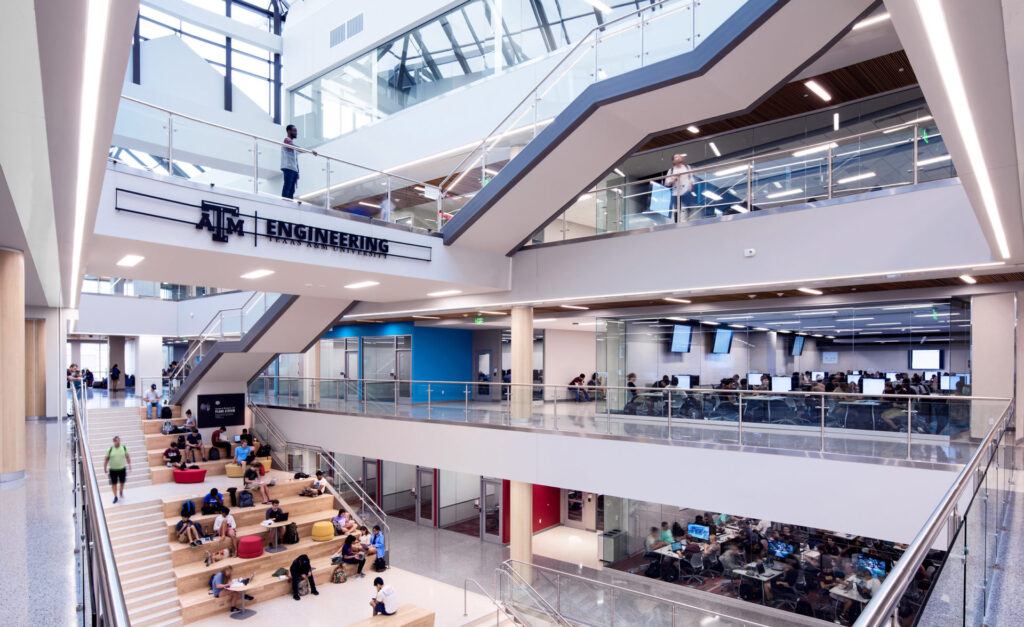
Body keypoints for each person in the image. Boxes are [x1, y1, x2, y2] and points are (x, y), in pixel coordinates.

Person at [280, 124, 315, 199]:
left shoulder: (292, 144)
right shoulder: (286, 140)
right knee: (287, 187)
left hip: (293, 169)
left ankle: (289, 204)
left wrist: (297, 171)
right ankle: (284, 203)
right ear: (289, 131)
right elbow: (295, 148)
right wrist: (310, 151)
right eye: (294, 131)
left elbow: (295, 159)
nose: (296, 133)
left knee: (292, 190)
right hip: (288, 168)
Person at [664, 153, 694, 221]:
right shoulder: (671, 170)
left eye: (679, 156)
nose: (678, 158)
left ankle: (687, 221)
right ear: (673, 161)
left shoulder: (687, 167)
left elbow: (691, 177)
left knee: (688, 208)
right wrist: (672, 180)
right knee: (677, 210)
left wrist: (691, 185)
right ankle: (677, 223)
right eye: (676, 157)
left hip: (686, 191)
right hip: (676, 192)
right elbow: (667, 183)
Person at [103, 435, 131, 504]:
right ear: (114, 441)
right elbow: (106, 459)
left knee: (122, 482)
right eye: (116, 441)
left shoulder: (124, 448)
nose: (118, 442)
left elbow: (127, 457)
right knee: (114, 484)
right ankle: (115, 496)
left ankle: (121, 491)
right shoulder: (110, 450)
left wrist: (129, 464)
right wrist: (105, 467)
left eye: (119, 440)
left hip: (122, 469)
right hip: (113, 470)